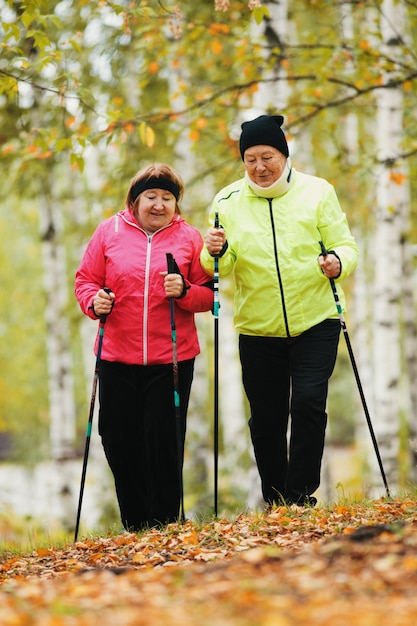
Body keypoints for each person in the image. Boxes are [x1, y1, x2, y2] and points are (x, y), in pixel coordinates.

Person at [201, 114, 358, 507]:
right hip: (258, 326)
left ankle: (300, 494)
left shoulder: (318, 192)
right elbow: (219, 264)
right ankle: (275, 499)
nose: (260, 166)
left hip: (316, 319)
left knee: (307, 402)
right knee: (266, 419)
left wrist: (337, 261)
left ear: (284, 154)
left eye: (267, 156)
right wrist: (213, 250)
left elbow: (347, 246)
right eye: (250, 159)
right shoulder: (227, 201)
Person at [75, 163, 214, 530]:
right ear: (135, 201)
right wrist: (95, 302)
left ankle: (167, 522)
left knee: (163, 440)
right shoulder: (110, 231)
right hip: (117, 356)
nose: (159, 204)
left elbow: (208, 295)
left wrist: (184, 291)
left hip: (170, 358)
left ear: (176, 203)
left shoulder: (189, 238)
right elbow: (86, 280)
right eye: (151, 196)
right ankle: (136, 524)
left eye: (167, 198)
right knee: (118, 440)